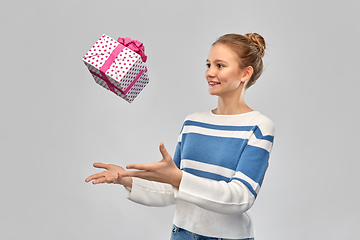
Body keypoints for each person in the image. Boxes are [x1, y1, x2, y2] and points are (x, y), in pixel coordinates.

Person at [85, 33, 275, 240]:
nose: (209, 73)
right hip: (182, 234)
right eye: (208, 65)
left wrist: (179, 178)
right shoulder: (192, 123)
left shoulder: (259, 126)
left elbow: (241, 197)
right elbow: (173, 189)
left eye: (220, 66)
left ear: (245, 73)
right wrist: (126, 179)